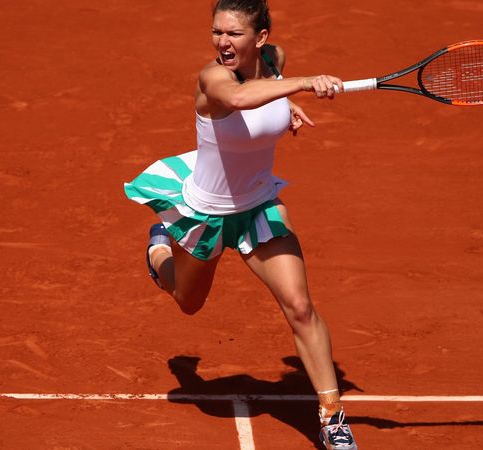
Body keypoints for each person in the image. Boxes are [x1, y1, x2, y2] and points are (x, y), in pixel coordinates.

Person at [123, 1, 357, 448]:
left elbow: (265, 94)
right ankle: (159, 250)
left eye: (233, 34)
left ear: (261, 39)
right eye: (217, 32)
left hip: (257, 207)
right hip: (205, 210)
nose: (222, 43)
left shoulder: (275, 60)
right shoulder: (213, 79)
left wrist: (285, 109)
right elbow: (237, 99)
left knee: (301, 306)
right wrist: (306, 85)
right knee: (188, 302)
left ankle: (331, 418)